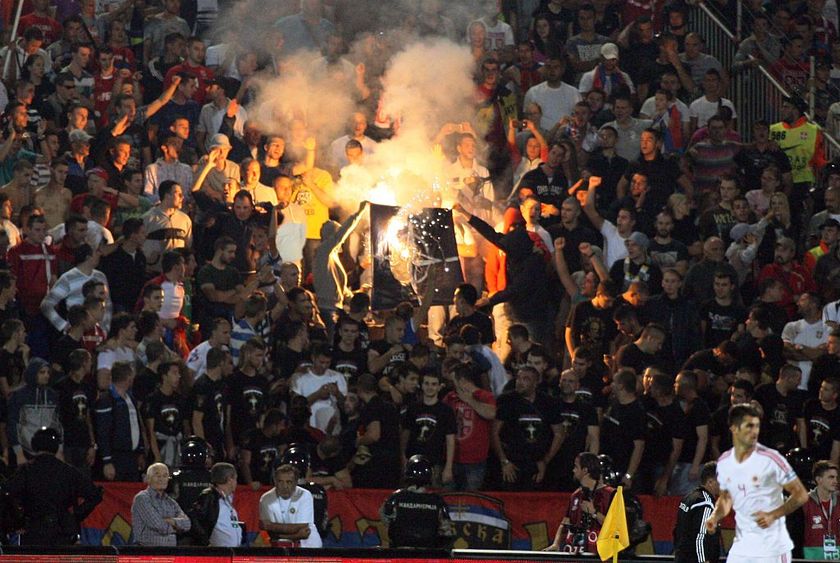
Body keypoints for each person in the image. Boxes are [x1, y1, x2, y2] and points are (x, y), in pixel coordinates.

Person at [704, 404, 809, 561]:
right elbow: (726, 499)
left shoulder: (772, 459)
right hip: (743, 545)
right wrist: (714, 516)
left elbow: (800, 495)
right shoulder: (725, 462)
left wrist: (773, 515)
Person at [6, 427, 102, 546]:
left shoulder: (26, 471)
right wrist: (74, 516)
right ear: (55, 446)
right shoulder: (68, 471)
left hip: (33, 532)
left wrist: (17, 522)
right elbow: (95, 495)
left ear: (34, 445)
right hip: (62, 532)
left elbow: (7, 495)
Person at [544, 452, 615, 553]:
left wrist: (594, 512)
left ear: (585, 470)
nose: (573, 470)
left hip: (598, 554)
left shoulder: (610, 494)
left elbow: (615, 527)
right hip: (574, 552)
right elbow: (565, 523)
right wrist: (556, 543)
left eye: (576, 467)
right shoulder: (575, 495)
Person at [380, 454, 456, 549]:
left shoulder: (395, 498)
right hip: (428, 554)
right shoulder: (437, 501)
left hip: (400, 552)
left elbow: (385, 523)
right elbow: (446, 532)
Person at [259, 463, 322, 548]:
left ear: (296, 482)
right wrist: (295, 533)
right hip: (280, 546)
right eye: (280, 481)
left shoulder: (305, 495)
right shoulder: (266, 499)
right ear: (275, 481)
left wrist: (277, 532)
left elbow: (303, 529)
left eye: (289, 482)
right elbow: (266, 528)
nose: (284, 486)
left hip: (308, 546)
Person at [131, 462, 192, 546]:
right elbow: (158, 525)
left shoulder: (170, 501)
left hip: (170, 553)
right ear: (148, 479)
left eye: (165, 476)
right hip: (147, 552)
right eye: (158, 476)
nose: (161, 479)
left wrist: (171, 521)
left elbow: (187, 524)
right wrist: (176, 528)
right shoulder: (142, 498)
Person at [673, 461, 721, 563]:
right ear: (710, 482)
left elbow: (677, 531)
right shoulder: (705, 504)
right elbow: (701, 536)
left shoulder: (689, 497)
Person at [186, 462, 243, 547]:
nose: (236, 482)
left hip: (231, 553)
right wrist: (205, 542)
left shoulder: (228, 499)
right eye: (235, 479)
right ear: (229, 480)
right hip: (216, 554)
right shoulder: (209, 497)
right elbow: (194, 520)